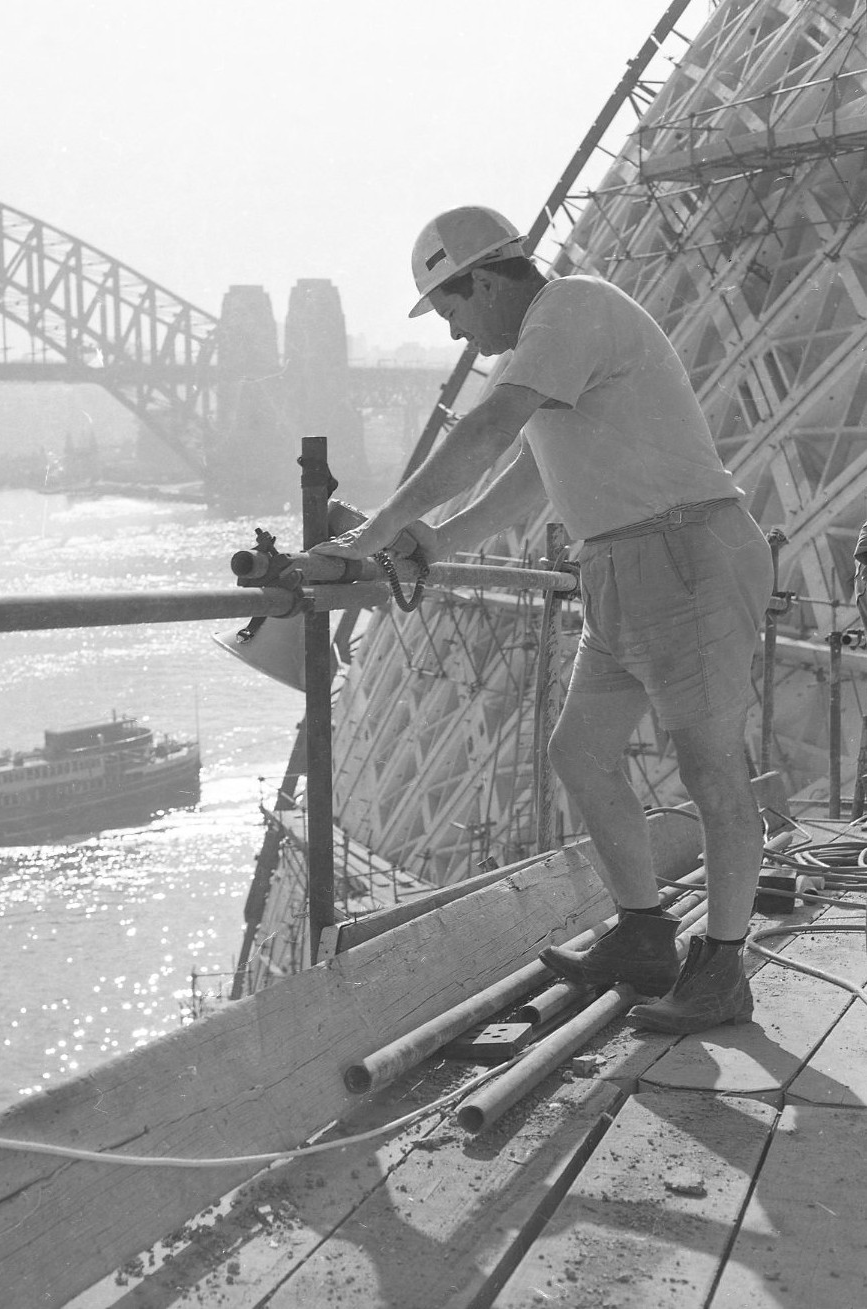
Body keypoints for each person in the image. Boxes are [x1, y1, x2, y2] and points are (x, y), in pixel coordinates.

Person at [313, 205, 774, 1034]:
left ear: (484, 281)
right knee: (581, 752)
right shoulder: (552, 350)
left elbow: (491, 432)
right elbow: (532, 471)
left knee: (710, 769)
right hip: (619, 569)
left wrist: (369, 538)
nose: (456, 335)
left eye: (453, 311)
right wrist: (438, 541)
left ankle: (724, 970)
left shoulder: (572, 309)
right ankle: (644, 938)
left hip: (687, 558)